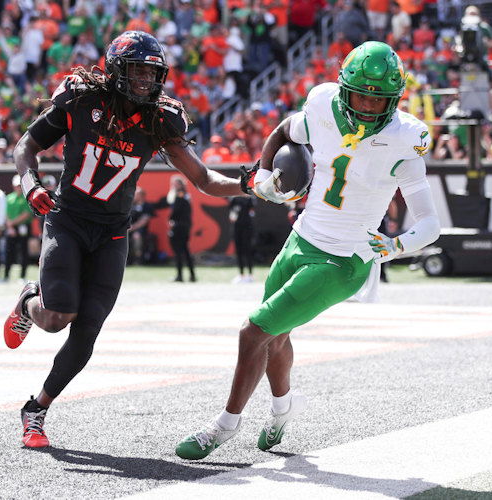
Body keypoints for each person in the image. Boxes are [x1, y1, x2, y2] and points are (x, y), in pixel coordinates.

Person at [175, 41, 441, 460]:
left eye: (379, 98)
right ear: (343, 89)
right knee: (275, 338)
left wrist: (394, 247)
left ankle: (223, 426)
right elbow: (284, 129)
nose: (370, 106)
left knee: (253, 331)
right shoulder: (322, 104)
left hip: (343, 260)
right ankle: (283, 410)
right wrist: (264, 173)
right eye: (362, 95)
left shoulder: (407, 137)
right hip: (301, 237)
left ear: (395, 99)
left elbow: (430, 224)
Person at [2, 31, 248, 448]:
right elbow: (26, 145)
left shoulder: (160, 119)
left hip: (113, 232)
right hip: (68, 220)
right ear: (115, 69)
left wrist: (251, 182)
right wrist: (30, 185)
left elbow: (204, 179)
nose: (143, 81)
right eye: (135, 70)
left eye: (151, 73)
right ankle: (29, 300)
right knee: (57, 316)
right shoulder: (81, 99)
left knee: (87, 334)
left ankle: (36, 409)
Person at [157, 175, 196, 282]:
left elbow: (176, 211)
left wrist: (171, 220)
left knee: (178, 251)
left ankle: (180, 276)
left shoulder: (179, 195)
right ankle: (192, 275)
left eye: (176, 183)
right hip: (185, 226)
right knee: (185, 251)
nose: (174, 185)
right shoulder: (186, 195)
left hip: (178, 226)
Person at [4, 175, 34, 282]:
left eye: (20, 186)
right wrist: (10, 226)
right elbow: (5, 213)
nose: (18, 188)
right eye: (17, 186)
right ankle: (6, 275)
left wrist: (11, 223)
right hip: (11, 228)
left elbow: (26, 214)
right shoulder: (9, 198)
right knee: (9, 252)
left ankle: (22, 276)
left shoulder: (26, 198)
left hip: (23, 227)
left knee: (23, 252)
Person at [229, 196, 255, 283]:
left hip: (247, 228)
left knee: (248, 250)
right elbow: (232, 214)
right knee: (238, 251)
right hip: (237, 228)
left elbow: (252, 211)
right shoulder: (234, 199)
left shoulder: (250, 199)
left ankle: (251, 275)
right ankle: (241, 274)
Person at [127, 186, 154, 265]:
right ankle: (127, 259)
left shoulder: (147, 206)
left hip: (141, 230)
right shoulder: (131, 206)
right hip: (129, 229)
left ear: (142, 196)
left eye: (136, 194)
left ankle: (138, 258)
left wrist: (131, 228)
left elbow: (143, 221)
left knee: (137, 236)